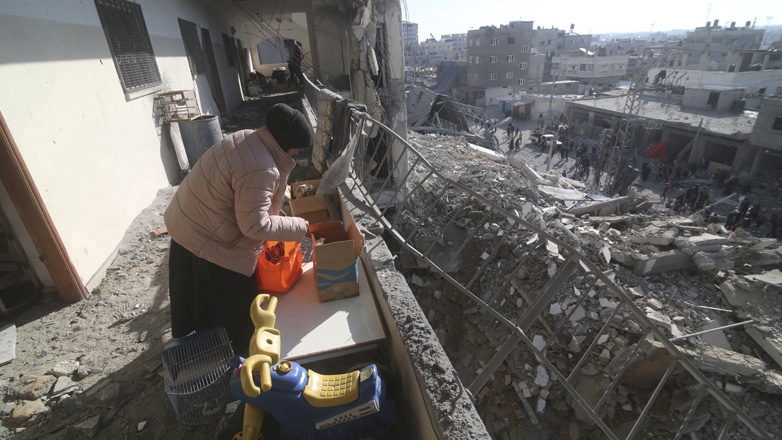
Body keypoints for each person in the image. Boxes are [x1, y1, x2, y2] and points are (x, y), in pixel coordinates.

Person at [164, 103, 312, 356]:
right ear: (284, 139)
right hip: (207, 241)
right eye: (296, 146)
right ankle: (235, 359)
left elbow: (247, 200)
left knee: (200, 303)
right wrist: (302, 227)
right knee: (235, 306)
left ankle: (209, 344)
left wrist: (274, 215)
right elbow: (255, 224)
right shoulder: (261, 167)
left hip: (189, 222)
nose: (297, 152)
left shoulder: (246, 137)